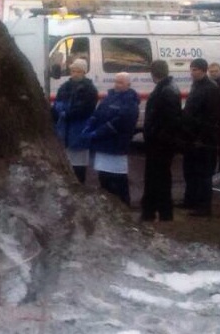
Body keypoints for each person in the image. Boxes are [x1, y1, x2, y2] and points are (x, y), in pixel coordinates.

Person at [83, 72, 139, 205]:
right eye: (116, 82)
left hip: (117, 146)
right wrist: (90, 123)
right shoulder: (110, 97)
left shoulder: (130, 101)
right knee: (104, 177)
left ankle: (124, 205)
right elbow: (99, 112)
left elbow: (120, 122)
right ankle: (109, 204)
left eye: (120, 82)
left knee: (118, 179)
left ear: (128, 85)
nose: (117, 85)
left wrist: (98, 133)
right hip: (104, 146)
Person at [140, 60, 183, 222]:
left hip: (160, 144)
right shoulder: (167, 87)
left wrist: (155, 135)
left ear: (153, 73)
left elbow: (170, 120)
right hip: (160, 142)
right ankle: (152, 211)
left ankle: (162, 212)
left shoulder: (166, 90)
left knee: (159, 178)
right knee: (156, 178)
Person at [181, 57, 220, 217]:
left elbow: (211, 116)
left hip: (204, 139)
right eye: (191, 69)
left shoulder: (210, 88)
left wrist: (202, 137)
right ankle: (189, 200)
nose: (192, 72)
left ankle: (204, 206)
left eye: (195, 69)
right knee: (189, 171)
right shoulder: (196, 86)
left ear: (203, 71)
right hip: (191, 136)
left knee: (203, 174)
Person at [52, 58, 98, 183]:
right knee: (65, 166)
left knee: (78, 167)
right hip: (64, 132)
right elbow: (57, 103)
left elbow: (86, 110)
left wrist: (67, 113)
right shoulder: (64, 87)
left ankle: (79, 188)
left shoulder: (89, 89)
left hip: (79, 131)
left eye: (78, 71)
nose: (75, 73)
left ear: (84, 72)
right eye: (73, 70)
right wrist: (57, 109)